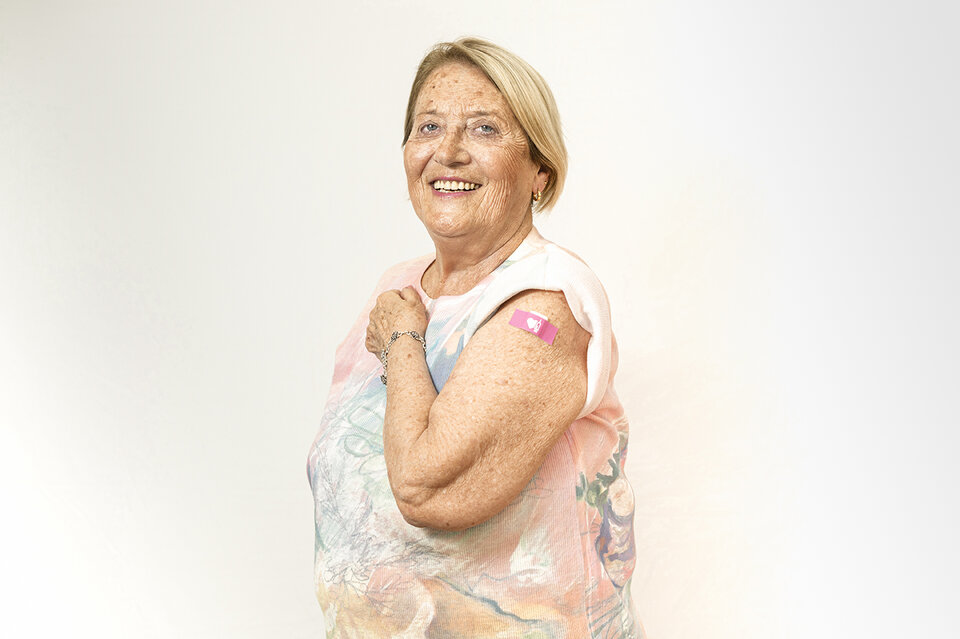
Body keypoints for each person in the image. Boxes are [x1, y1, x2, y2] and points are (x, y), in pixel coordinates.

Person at [307, 37, 643, 638]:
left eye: (485, 129)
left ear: (540, 170)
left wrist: (404, 341)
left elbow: (428, 489)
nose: (448, 152)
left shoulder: (547, 303)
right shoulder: (400, 286)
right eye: (429, 127)